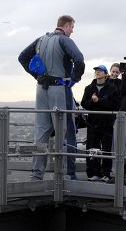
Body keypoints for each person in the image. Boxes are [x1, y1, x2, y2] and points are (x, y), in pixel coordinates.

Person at [18, 15, 85, 180]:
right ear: (66, 26)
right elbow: (79, 59)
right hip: (59, 89)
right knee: (66, 131)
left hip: (41, 90)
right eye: (72, 28)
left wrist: (36, 75)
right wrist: (74, 80)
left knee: (41, 133)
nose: (72, 31)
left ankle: (37, 174)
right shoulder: (64, 40)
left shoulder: (41, 40)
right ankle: (65, 174)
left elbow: (22, 57)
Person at [81, 65, 119, 182]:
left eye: (100, 71)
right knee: (92, 149)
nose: (97, 72)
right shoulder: (89, 88)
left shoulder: (112, 88)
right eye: (96, 71)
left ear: (105, 74)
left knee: (106, 149)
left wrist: (99, 101)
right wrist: (93, 101)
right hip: (93, 123)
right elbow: (84, 104)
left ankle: (106, 173)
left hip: (106, 123)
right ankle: (93, 172)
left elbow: (115, 105)